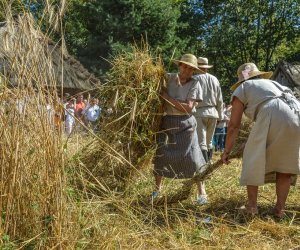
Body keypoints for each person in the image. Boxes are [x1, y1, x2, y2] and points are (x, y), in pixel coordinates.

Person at [221, 62, 300, 217]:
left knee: (252, 157)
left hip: (274, 112)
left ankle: (252, 208)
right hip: (296, 112)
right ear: (259, 75)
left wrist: (227, 150)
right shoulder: (274, 84)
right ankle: (280, 209)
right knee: (286, 164)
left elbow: (233, 125)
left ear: (242, 79)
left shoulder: (242, 88)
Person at [152, 54, 207, 204]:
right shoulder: (168, 78)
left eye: (191, 68)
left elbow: (188, 108)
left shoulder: (195, 83)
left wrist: (167, 98)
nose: (187, 70)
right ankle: (157, 190)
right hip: (167, 121)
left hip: (186, 124)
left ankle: (202, 193)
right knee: (161, 153)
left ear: (194, 71)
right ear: (179, 66)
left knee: (193, 156)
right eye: (185, 66)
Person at [193, 57, 224, 204]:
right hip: (213, 113)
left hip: (199, 113)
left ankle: (204, 170)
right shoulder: (215, 79)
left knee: (201, 143)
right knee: (209, 142)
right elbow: (220, 99)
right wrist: (220, 114)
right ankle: (209, 164)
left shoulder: (194, 78)